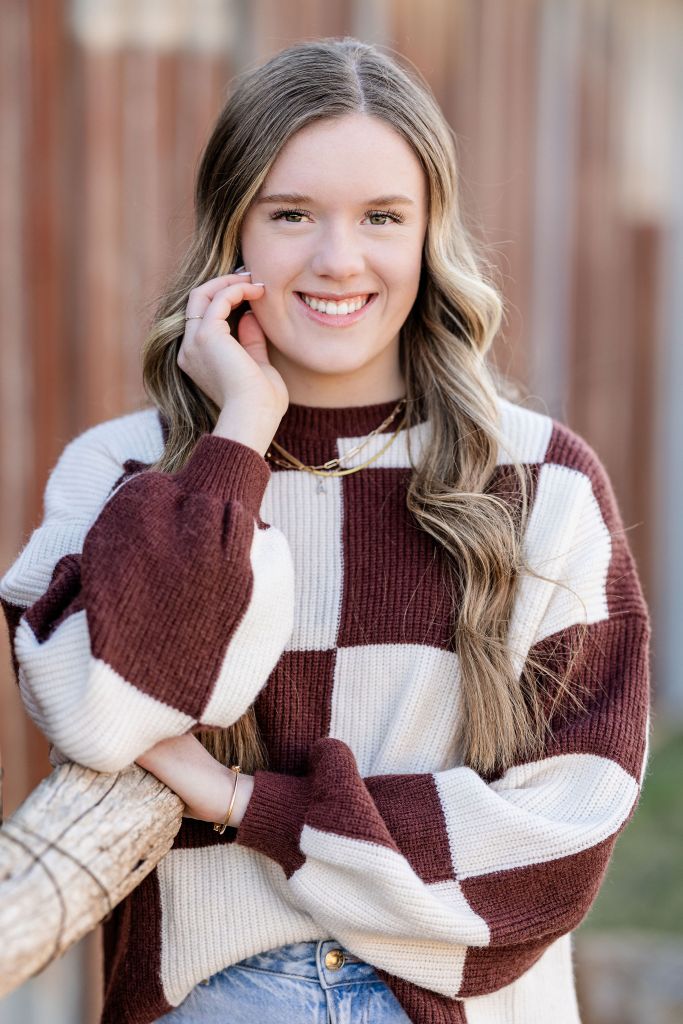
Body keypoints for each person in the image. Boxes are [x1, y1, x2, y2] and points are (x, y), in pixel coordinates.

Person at [0, 36, 650, 1024]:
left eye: (380, 217)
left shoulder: (541, 480)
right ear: (234, 232)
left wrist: (244, 803)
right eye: (291, 213)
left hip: (465, 1003)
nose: (337, 259)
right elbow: (104, 713)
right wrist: (237, 445)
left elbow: (565, 831)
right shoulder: (125, 472)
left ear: (429, 234)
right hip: (213, 993)